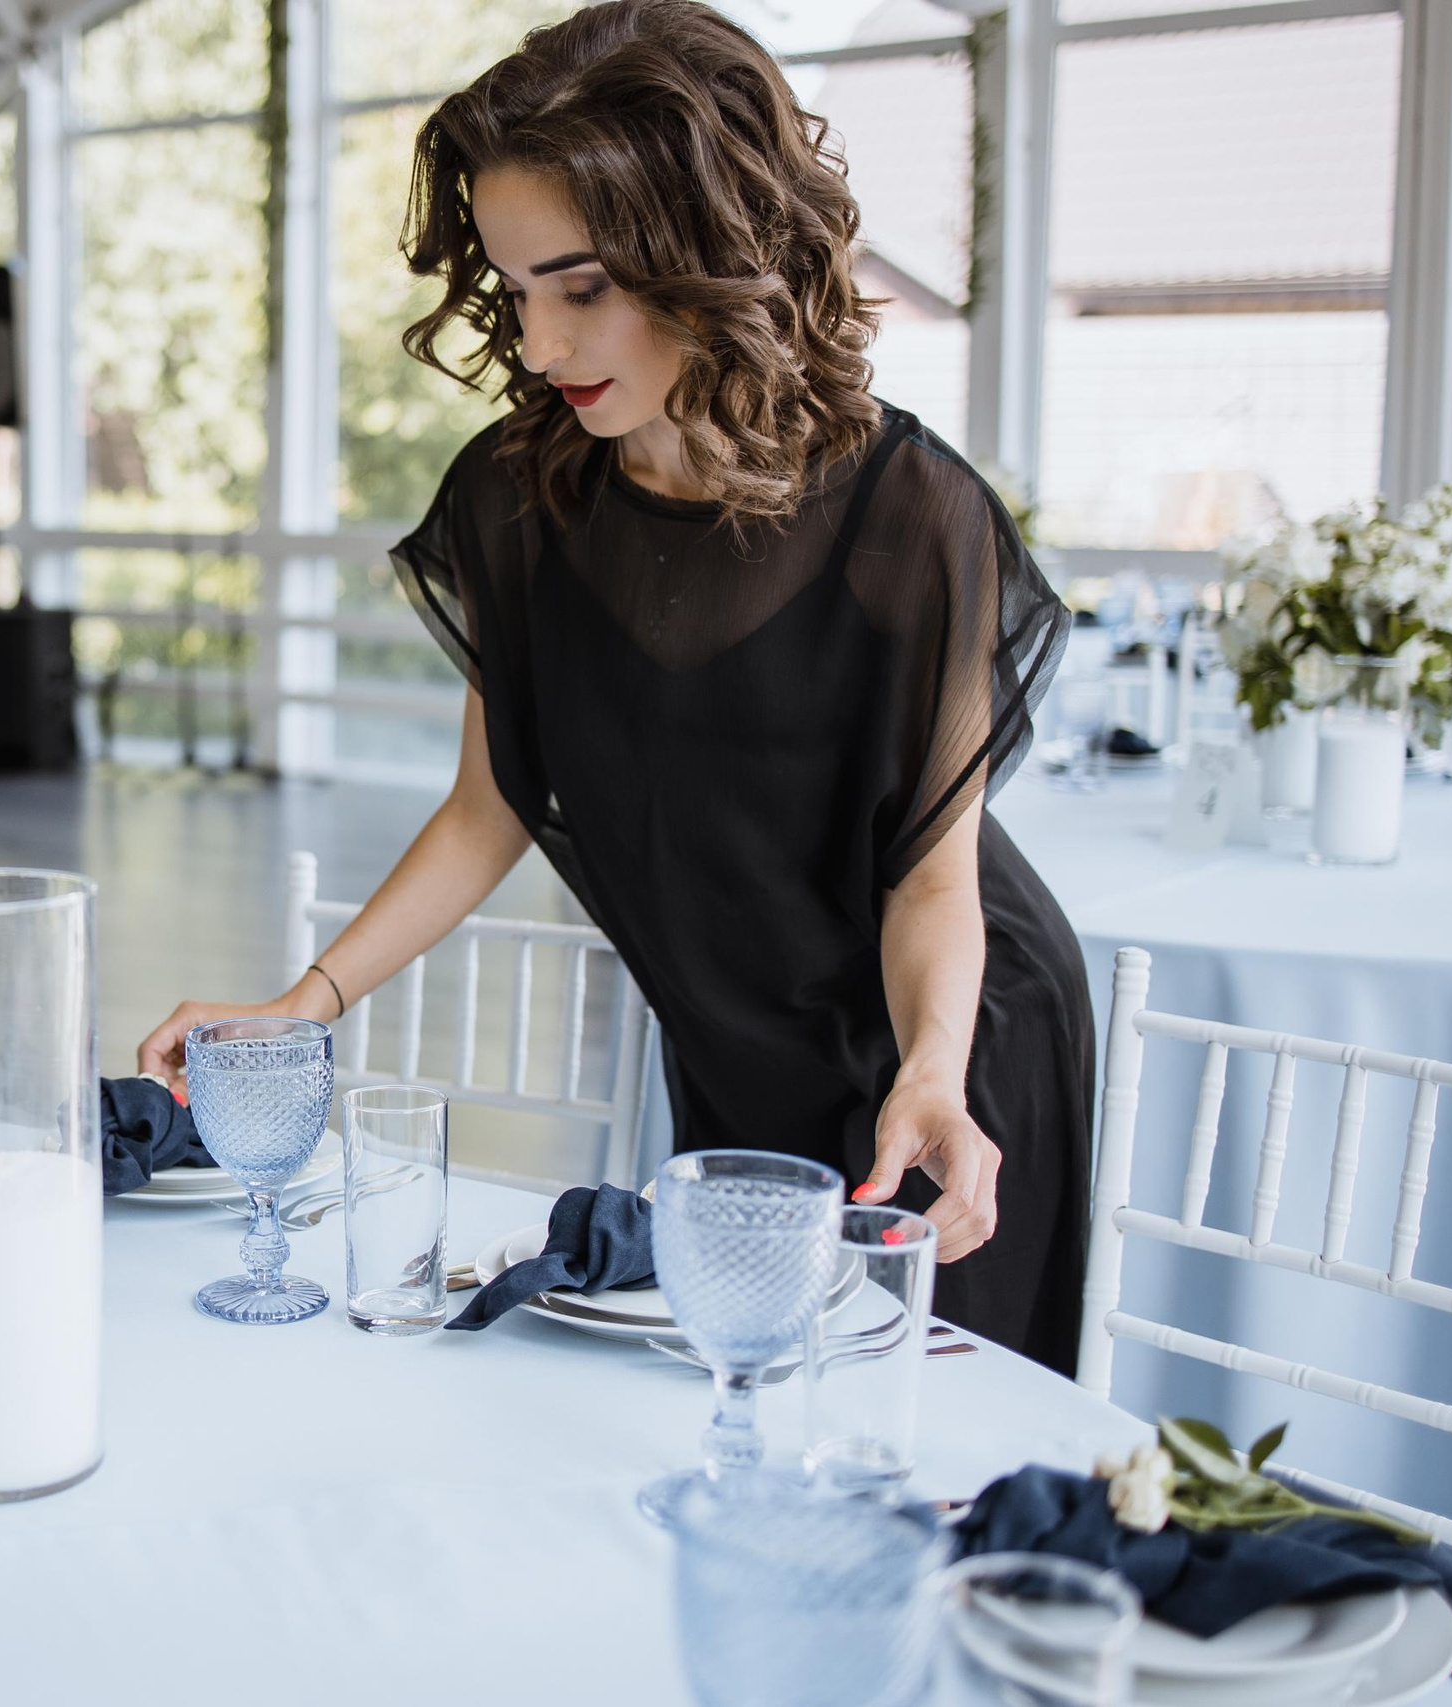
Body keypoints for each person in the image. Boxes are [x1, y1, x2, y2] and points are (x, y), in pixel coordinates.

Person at [138, 0, 1093, 1372]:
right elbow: (490, 805)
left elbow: (931, 881)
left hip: (949, 1047)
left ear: (708, 257)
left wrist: (932, 1065)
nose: (538, 345)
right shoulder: (521, 497)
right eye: (517, 291)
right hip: (733, 1051)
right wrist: (307, 999)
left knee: (916, 1461)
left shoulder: (910, 514)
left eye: (580, 288)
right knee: (724, 1406)